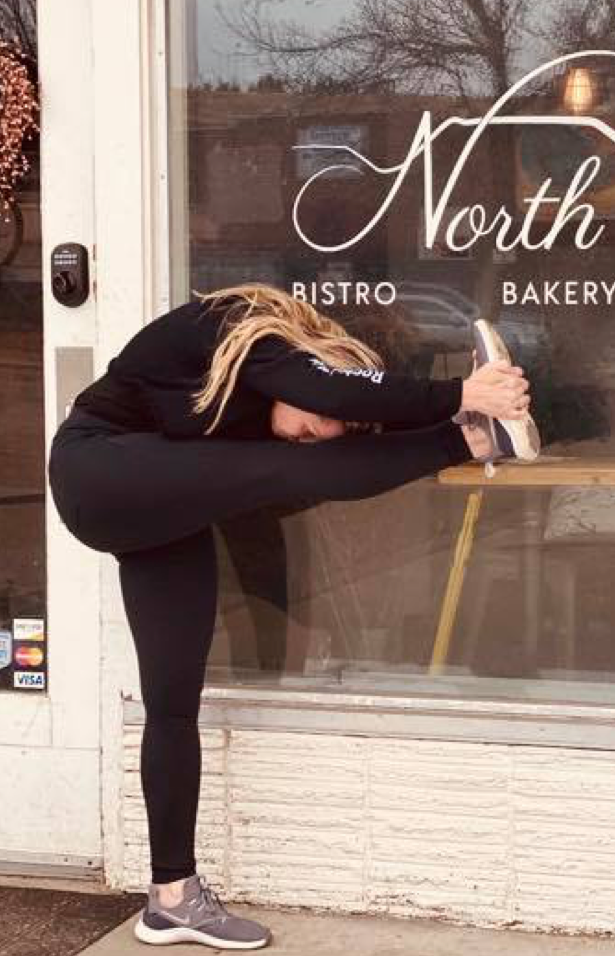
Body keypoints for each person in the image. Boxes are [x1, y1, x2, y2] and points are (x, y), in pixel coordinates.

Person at [46, 281, 537, 950]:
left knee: (172, 705)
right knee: (284, 472)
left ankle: (171, 899)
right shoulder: (246, 326)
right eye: (313, 420)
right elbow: (336, 397)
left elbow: (341, 418)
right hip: (95, 468)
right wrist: (460, 394)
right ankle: (474, 438)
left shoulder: (268, 411)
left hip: (159, 517)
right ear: (312, 367)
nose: (313, 436)